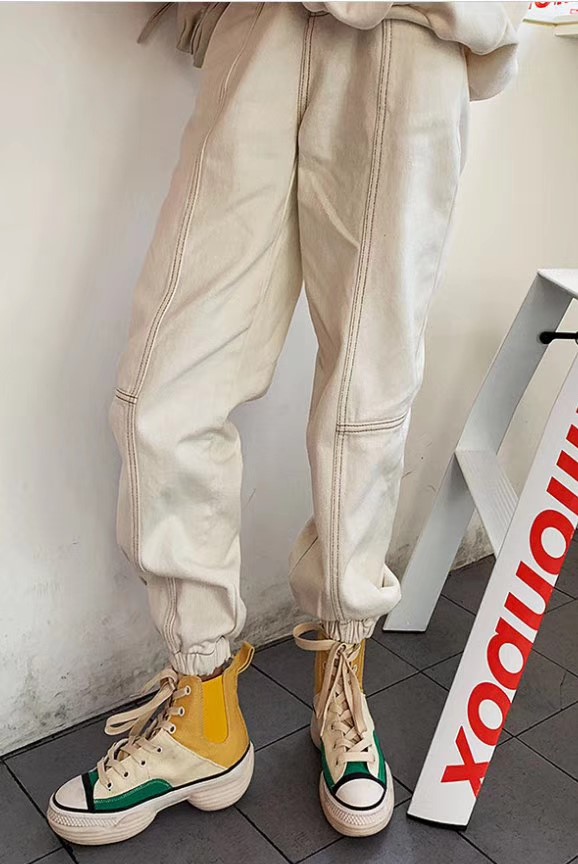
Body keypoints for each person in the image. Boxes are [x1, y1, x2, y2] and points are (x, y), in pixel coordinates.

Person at [47, 0, 526, 845]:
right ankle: (203, 714)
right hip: (263, 23)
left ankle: (343, 675)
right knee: (165, 389)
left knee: (367, 402)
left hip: (414, 35)